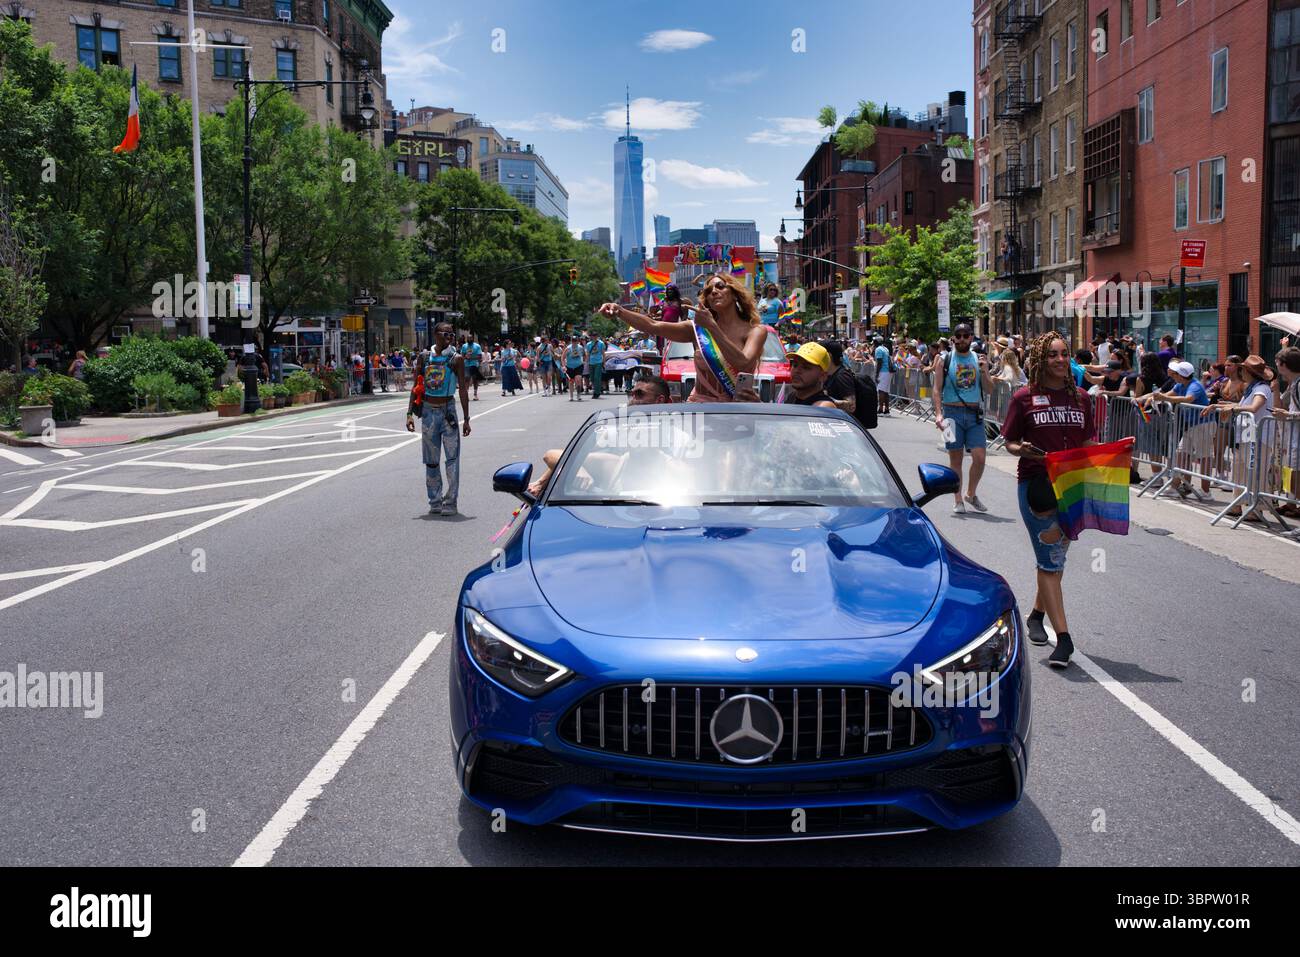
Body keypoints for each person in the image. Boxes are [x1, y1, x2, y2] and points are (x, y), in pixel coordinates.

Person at [1000, 331, 1098, 669]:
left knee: (1054, 560)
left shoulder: (1083, 398)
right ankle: (1065, 641)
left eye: (1063, 354)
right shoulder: (1024, 398)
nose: (1059, 360)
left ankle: (1036, 615)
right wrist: (1021, 449)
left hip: (1072, 488)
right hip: (1037, 486)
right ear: (1041, 360)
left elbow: (1088, 443)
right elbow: (1010, 441)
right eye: (1052, 355)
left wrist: (1110, 463)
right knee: (1050, 560)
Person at [599, 272, 766, 403]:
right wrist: (620, 311)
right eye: (708, 291)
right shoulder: (698, 329)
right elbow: (653, 325)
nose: (714, 292)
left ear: (735, 294)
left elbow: (743, 362)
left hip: (738, 408)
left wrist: (712, 327)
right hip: (701, 409)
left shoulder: (755, 331)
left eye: (720, 287)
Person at [527, 376, 675, 497]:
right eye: (632, 393)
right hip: (607, 500)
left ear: (660, 400)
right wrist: (577, 470)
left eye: (640, 394)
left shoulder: (679, 437)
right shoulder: (613, 432)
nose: (632, 399)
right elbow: (560, 455)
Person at [406, 322, 471, 516]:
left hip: (448, 411)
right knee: (431, 461)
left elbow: (463, 390)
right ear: (435, 335)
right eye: (445, 333)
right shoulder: (424, 357)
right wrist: (409, 414)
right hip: (427, 412)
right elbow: (416, 387)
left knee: (452, 459)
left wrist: (466, 418)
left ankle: (450, 502)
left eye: (452, 334)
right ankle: (434, 500)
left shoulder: (456, 359)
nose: (449, 337)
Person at [1203, 355, 1275, 522]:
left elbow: (1253, 408)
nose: (1241, 372)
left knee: (1255, 472)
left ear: (1249, 372)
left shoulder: (1261, 388)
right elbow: (1240, 405)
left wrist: (1231, 409)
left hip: (1258, 438)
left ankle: (1255, 508)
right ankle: (1237, 505)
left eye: (1243, 369)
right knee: (1240, 470)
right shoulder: (1251, 387)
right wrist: (1218, 406)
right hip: (1245, 435)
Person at [932, 322, 993, 514]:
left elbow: (990, 389)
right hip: (951, 414)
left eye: (965, 335)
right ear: (953, 339)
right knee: (955, 459)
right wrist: (939, 413)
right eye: (957, 336)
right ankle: (958, 499)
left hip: (974, 415)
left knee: (980, 458)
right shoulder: (945, 359)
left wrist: (984, 371)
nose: (961, 339)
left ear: (971, 338)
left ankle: (971, 494)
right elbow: (936, 389)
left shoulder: (979, 358)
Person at [777, 343, 838, 407]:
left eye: (806, 367)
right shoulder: (791, 396)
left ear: (822, 376)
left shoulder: (823, 406)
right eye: (795, 365)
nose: (797, 371)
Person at [459, 334, 483, 400]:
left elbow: (479, 356)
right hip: (466, 365)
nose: (469, 339)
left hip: (474, 365)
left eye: (470, 338)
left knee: (475, 379)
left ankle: (475, 394)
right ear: (467, 339)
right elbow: (462, 355)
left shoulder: (477, 346)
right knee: (467, 379)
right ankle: (466, 394)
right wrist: (465, 357)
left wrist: (471, 357)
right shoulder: (464, 346)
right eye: (468, 338)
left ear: (472, 339)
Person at [874, 336, 893, 415]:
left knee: (881, 391)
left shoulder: (878, 349)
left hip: (883, 371)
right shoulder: (885, 348)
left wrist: (876, 374)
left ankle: (881, 409)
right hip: (888, 371)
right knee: (886, 391)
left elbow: (879, 362)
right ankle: (887, 410)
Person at [587, 332, 607, 399]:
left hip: (598, 362)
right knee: (592, 378)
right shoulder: (588, 344)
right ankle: (597, 389)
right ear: (591, 336)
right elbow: (588, 354)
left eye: (595, 335)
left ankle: (596, 392)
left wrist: (604, 363)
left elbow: (603, 354)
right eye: (593, 336)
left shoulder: (601, 343)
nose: (594, 337)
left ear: (597, 336)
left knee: (597, 377)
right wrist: (587, 362)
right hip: (591, 362)